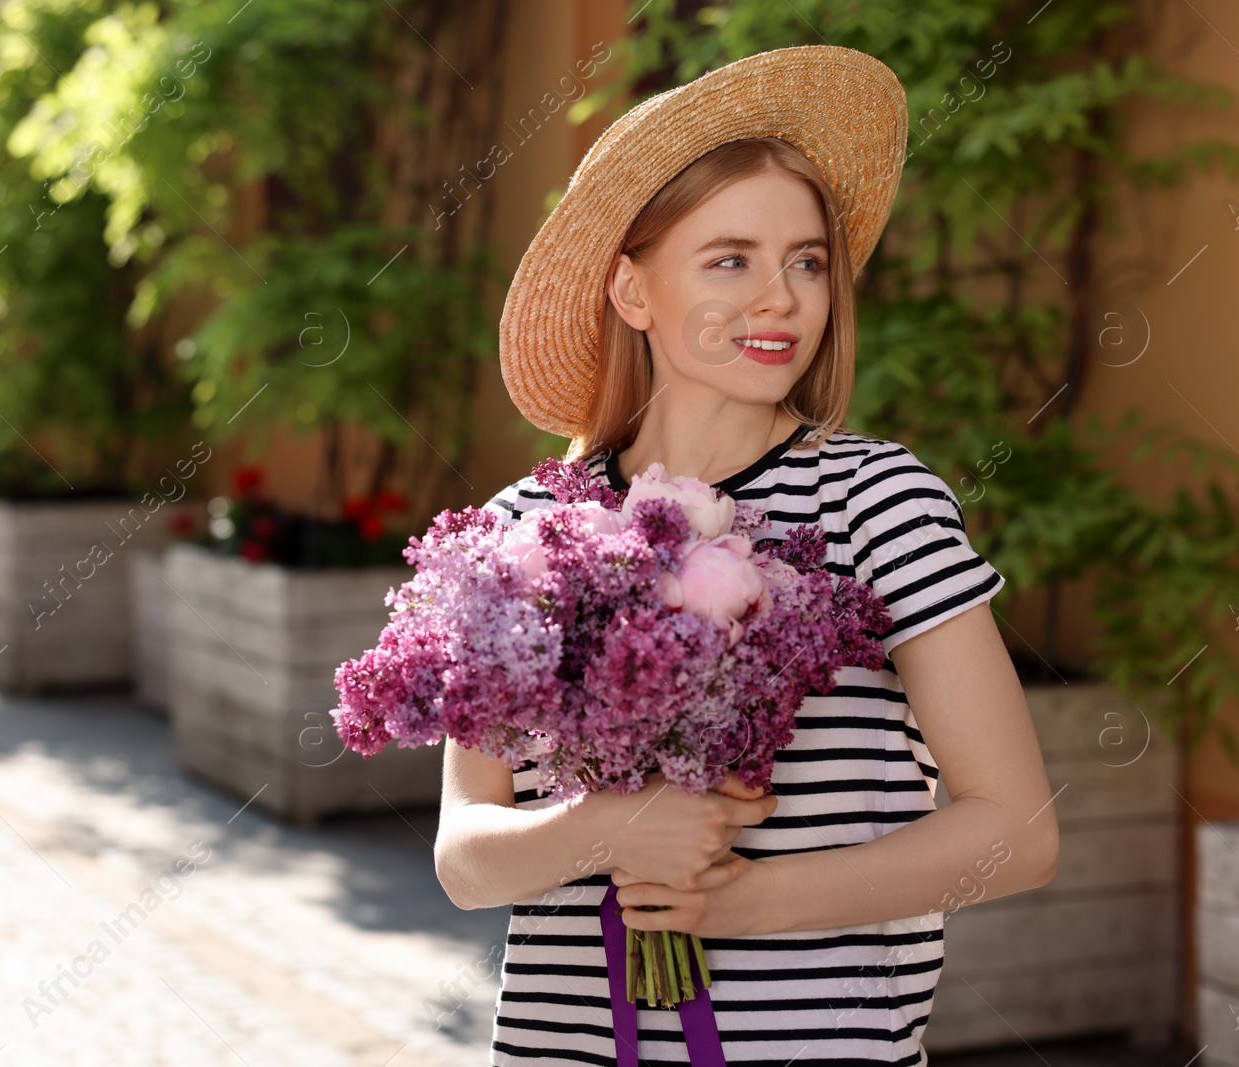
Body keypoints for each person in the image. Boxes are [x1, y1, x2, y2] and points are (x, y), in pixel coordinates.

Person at [434, 45, 1059, 1066]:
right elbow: (467, 856)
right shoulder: (522, 527)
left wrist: (747, 899)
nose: (780, 297)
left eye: (806, 261)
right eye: (729, 259)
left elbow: (1015, 831)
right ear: (632, 291)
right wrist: (608, 828)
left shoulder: (874, 500)